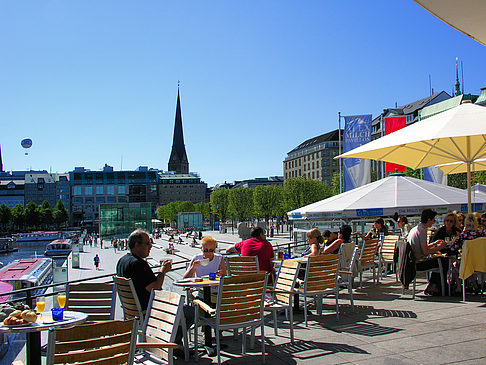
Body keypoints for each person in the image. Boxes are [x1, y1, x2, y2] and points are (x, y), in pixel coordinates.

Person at [116, 229, 172, 311]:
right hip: (150, 312)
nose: (150, 246)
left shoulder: (121, 261)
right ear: (136, 245)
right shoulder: (138, 264)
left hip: (132, 312)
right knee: (190, 312)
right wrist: (163, 271)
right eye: (147, 243)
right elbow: (156, 288)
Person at [407, 209, 447, 296]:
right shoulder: (422, 230)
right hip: (418, 263)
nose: (433, 222)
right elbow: (425, 252)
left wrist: (434, 244)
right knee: (443, 261)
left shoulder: (415, 229)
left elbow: (421, 248)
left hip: (412, 262)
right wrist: (440, 247)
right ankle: (437, 287)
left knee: (438, 261)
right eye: (433, 220)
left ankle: (433, 285)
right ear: (429, 220)